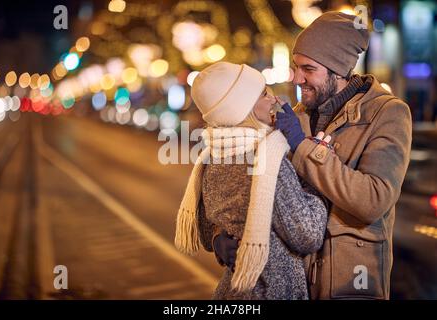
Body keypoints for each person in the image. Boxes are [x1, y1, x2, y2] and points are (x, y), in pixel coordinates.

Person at [213, 12, 412, 299]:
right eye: (295, 67)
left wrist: (302, 146)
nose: (296, 78)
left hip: (348, 286)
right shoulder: (297, 116)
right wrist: (220, 234)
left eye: (308, 69)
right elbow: (258, 187)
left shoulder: (387, 113)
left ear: (339, 71)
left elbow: (373, 199)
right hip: (292, 287)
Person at [174, 61, 328, 299]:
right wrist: (313, 172)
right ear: (243, 107)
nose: (274, 99)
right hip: (271, 292)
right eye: (265, 93)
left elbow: (207, 232)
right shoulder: (268, 158)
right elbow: (308, 235)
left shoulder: (211, 158)